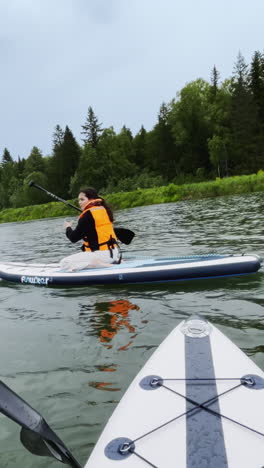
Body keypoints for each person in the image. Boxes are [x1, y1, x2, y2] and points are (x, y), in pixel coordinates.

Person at [60, 187, 121, 271]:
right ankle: (110, 261)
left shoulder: (87, 215)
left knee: (64, 263)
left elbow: (73, 238)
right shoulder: (104, 210)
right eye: (79, 200)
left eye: (82, 199)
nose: (79, 202)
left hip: (101, 255)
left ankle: (98, 264)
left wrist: (68, 227)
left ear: (91, 199)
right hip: (114, 253)